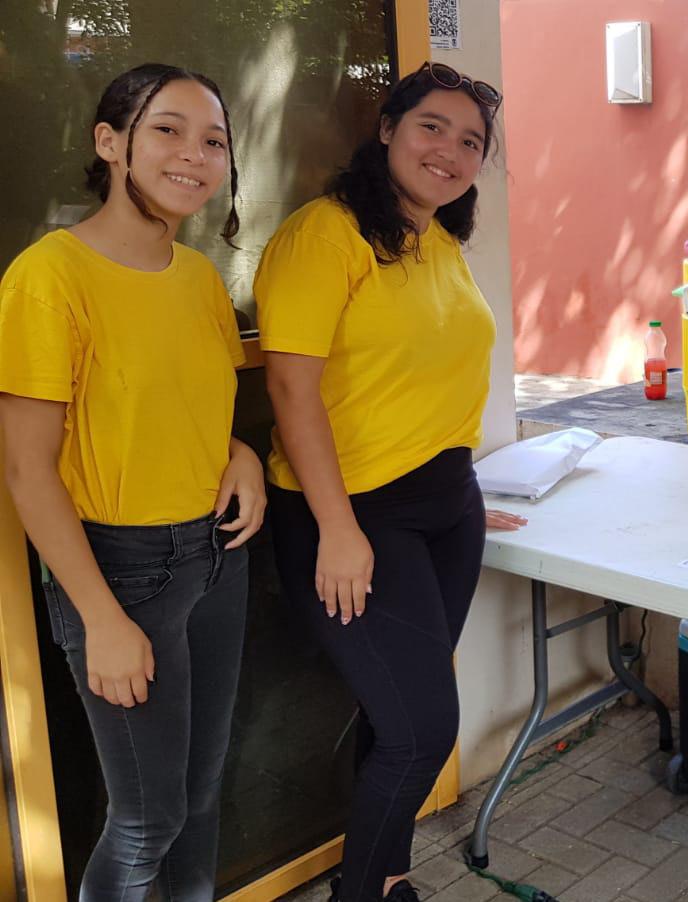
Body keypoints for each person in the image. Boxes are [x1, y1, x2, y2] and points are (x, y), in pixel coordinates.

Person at [255, 62, 523, 902]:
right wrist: (338, 529)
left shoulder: (438, 240)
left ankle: (387, 879)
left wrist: (464, 489)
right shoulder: (325, 235)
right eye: (431, 126)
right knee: (422, 732)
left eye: (470, 141)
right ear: (387, 130)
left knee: (397, 718)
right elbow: (290, 387)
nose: (450, 150)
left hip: (446, 508)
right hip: (354, 514)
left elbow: (422, 379)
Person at [0, 63, 263, 899]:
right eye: (168, 130)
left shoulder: (199, 279)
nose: (194, 154)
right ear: (110, 143)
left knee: (199, 799)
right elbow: (26, 467)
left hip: (217, 555)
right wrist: (100, 618)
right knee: (147, 819)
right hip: (120, 569)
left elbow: (182, 406)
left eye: (213, 140)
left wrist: (242, 454)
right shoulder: (50, 275)